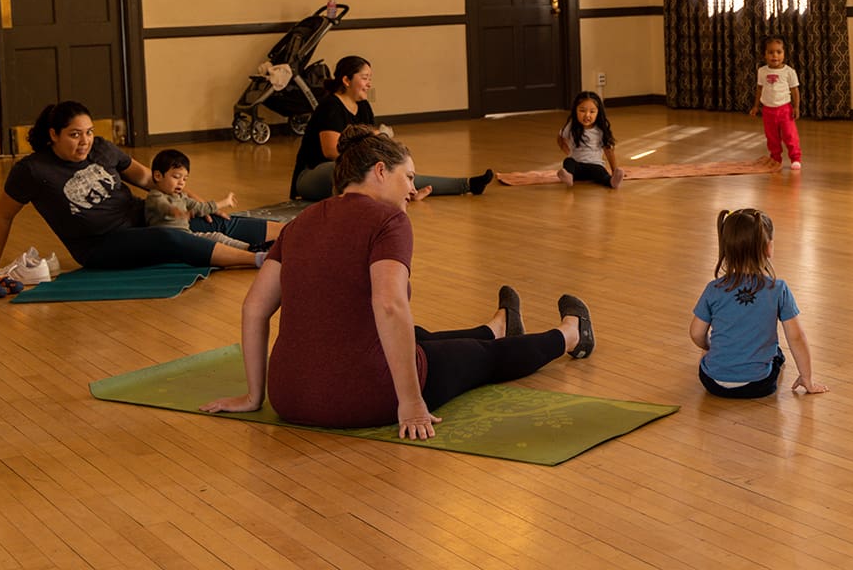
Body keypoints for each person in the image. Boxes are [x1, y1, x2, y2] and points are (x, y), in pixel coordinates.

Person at [202, 124, 596, 439]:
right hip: (366, 397)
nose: (412, 188)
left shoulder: (301, 221)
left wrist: (256, 396)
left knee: (418, 334)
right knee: (480, 358)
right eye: (408, 177)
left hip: (289, 397)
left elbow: (254, 307)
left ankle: (496, 326)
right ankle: (571, 334)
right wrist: (409, 401)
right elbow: (389, 305)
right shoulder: (388, 221)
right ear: (379, 171)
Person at [0, 101, 276, 274]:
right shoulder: (32, 171)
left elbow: (149, 180)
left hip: (142, 217)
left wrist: (192, 200)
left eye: (89, 133)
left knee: (210, 219)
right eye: (74, 135)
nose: (84, 141)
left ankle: (293, 235)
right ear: (53, 134)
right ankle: (259, 259)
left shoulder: (101, 149)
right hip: (100, 245)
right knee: (169, 238)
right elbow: (3, 217)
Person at [290, 56, 495, 201]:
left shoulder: (363, 106)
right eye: (364, 77)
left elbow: (371, 143)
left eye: (370, 78)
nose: (369, 83)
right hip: (314, 175)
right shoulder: (330, 106)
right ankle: (403, 194)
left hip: (351, 169)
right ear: (346, 80)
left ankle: (466, 184)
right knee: (356, 172)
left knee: (393, 169)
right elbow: (331, 151)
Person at [689, 208, 828, 398]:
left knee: (711, 353)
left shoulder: (714, 288)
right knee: (777, 354)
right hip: (758, 384)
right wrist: (807, 378)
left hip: (713, 383)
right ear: (768, 248)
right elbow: (796, 337)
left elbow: (696, 333)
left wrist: (708, 348)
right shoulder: (778, 289)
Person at [144, 149, 251, 251]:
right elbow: (162, 206)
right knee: (210, 242)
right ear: (158, 176)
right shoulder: (154, 196)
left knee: (216, 237)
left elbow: (200, 207)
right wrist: (175, 212)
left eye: (185, 179)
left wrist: (224, 202)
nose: (181, 182)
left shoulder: (182, 197)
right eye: (176, 177)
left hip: (185, 236)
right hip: (167, 239)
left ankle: (249, 248)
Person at [747, 37, 802, 170]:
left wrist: (796, 107)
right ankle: (775, 158)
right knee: (772, 137)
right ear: (765, 55)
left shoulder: (789, 72)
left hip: (785, 110)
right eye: (771, 52)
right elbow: (759, 88)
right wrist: (756, 106)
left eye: (778, 52)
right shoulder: (762, 71)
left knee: (790, 135)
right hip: (768, 111)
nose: (775, 56)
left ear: (784, 53)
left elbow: (794, 90)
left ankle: (795, 158)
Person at [556, 91, 624, 188]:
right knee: (568, 161)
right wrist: (568, 152)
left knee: (601, 172)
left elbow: (609, 151)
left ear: (598, 112)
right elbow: (561, 138)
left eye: (592, 112)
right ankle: (569, 177)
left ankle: (611, 182)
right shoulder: (571, 126)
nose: (587, 115)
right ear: (575, 110)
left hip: (594, 166)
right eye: (582, 110)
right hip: (577, 166)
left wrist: (614, 170)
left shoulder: (600, 130)